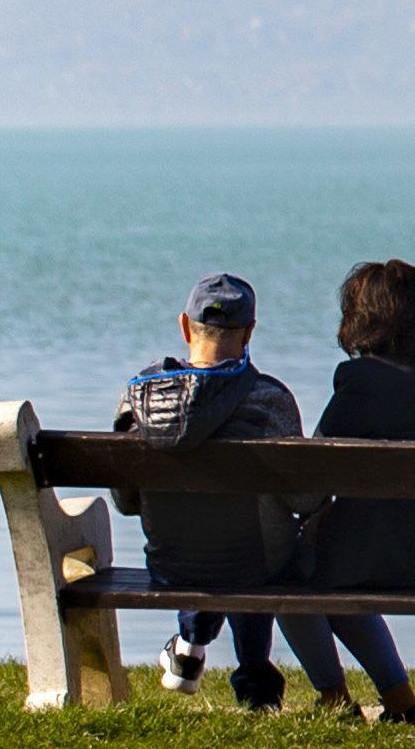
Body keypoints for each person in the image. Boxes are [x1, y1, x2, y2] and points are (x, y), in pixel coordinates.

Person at [285, 259, 415, 726]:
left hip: (384, 562)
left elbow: (308, 486)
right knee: (333, 570)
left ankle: (334, 699)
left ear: (359, 319)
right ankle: (401, 702)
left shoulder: (360, 383)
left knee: (287, 573)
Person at [110, 274, 305, 711]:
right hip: (255, 564)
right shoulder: (269, 399)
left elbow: (125, 502)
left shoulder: (139, 397)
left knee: (213, 536)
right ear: (250, 331)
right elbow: (302, 500)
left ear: (185, 327)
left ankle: (190, 648)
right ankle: (256, 685)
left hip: (170, 564)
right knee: (251, 543)